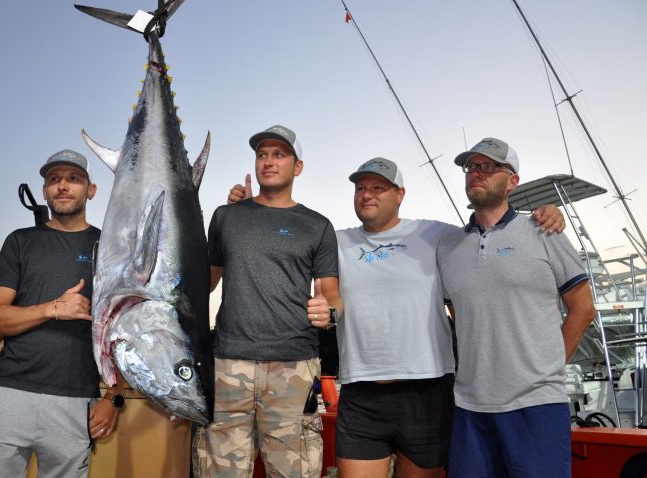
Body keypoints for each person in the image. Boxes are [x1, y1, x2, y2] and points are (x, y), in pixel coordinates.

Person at [228, 156, 565, 478]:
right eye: (361, 188)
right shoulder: (334, 240)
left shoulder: (437, 235)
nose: (367, 195)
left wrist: (543, 215)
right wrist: (250, 211)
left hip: (428, 392)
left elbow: (490, 230)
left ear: (400, 194)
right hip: (361, 392)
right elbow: (284, 238)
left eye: (378, 188)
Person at [437, 137, 596, 477]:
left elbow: (583, 307)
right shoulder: (449, 246)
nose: (477, 173)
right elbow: (456, 312)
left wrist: (549, 367)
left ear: (512, 181)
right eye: (472, 167)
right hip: (469, 406)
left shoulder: (543, 230)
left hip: (536, 404)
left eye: (490, 167)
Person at [194, 125, 342, 478]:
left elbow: (331, 294)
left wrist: (330, 312)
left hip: (293, 368)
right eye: (262, 155)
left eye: (279, 154)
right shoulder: (225, 216)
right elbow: (205, 284)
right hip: (228, 366)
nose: (268, 162)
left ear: (298, 167)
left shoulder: (317, 225)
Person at [0, 150, 124, 478]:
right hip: (12, 394)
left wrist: (113, 399)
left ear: (91, 190)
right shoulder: (20, 241)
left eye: (74, 179)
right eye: (54, 180)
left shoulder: (111, 247)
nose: (62, 186)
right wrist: (53, 308)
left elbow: (124, 331)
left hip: (76, 400)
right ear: (44, 191)